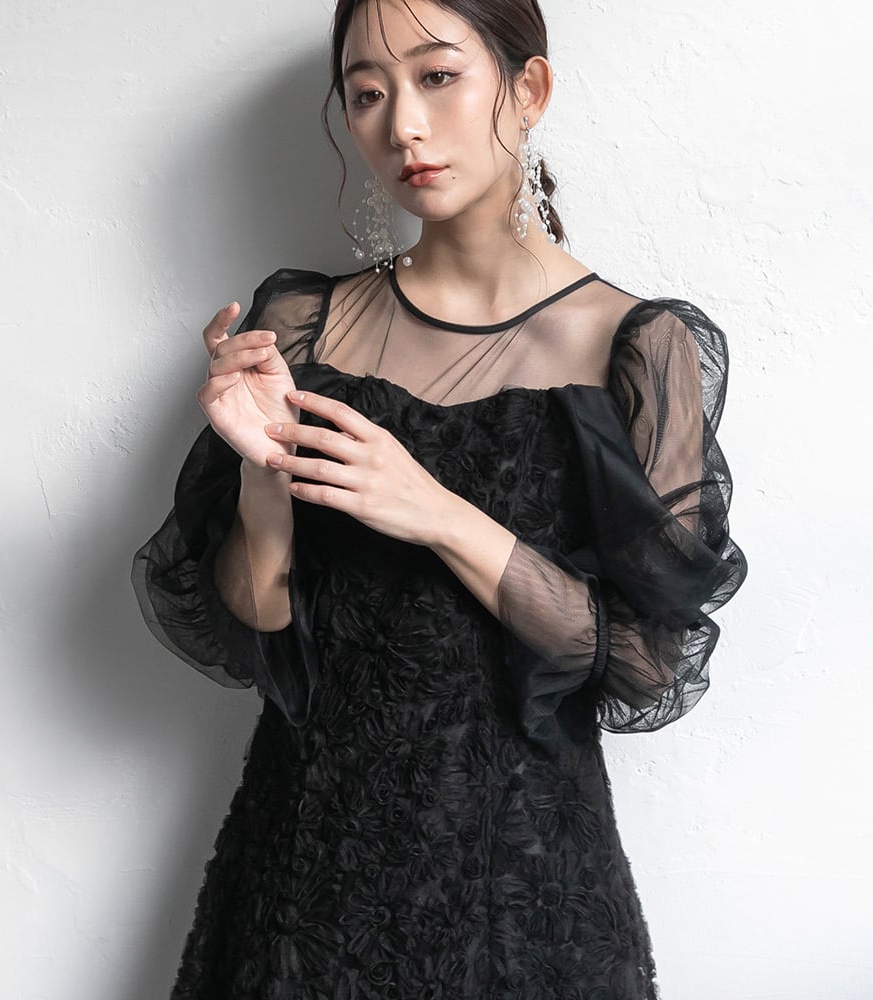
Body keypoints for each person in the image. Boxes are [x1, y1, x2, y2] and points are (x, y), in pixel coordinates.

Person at [131, 0, 747, 996]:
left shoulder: (637, 348)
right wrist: (260, 470)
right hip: (306, 867)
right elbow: (259, 622)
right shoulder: (304, 323)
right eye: (366, 94)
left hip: (525, 887)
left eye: (438, 76)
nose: (402, 126)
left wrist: (436, 512)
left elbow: (644, 664)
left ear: (528, 89)